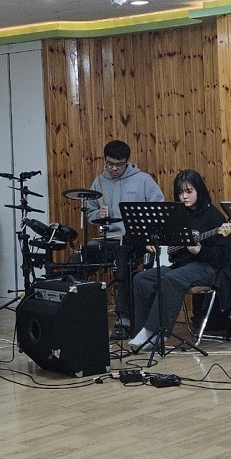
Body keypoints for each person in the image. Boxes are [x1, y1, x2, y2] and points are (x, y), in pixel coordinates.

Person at [127, 170, 231, 351]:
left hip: (206, 268)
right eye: (180, 192)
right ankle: (141, 332)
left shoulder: (214, 217)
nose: (184, 196)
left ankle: (155, 334)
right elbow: (167, 241)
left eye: (189, 191)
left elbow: (222, 256)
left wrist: (200, 251)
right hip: (180, 266)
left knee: (171, 279)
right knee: (141, 279)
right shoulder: (177, 215)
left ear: (199, 190)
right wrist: (153, 243)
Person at [82, 140, 165, 340]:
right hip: (107, 238)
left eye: (119, 165)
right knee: (79, 259)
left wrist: (146, 231)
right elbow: (88, 212)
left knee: (124, 263)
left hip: (134, 241)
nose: (114, 169)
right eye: (110, 164)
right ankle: (78, 315)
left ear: (127, 162)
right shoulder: (98, 182)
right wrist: (97, 215)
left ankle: (124, 320)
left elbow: (159, 209)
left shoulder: (143, 180)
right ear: (105, 160)